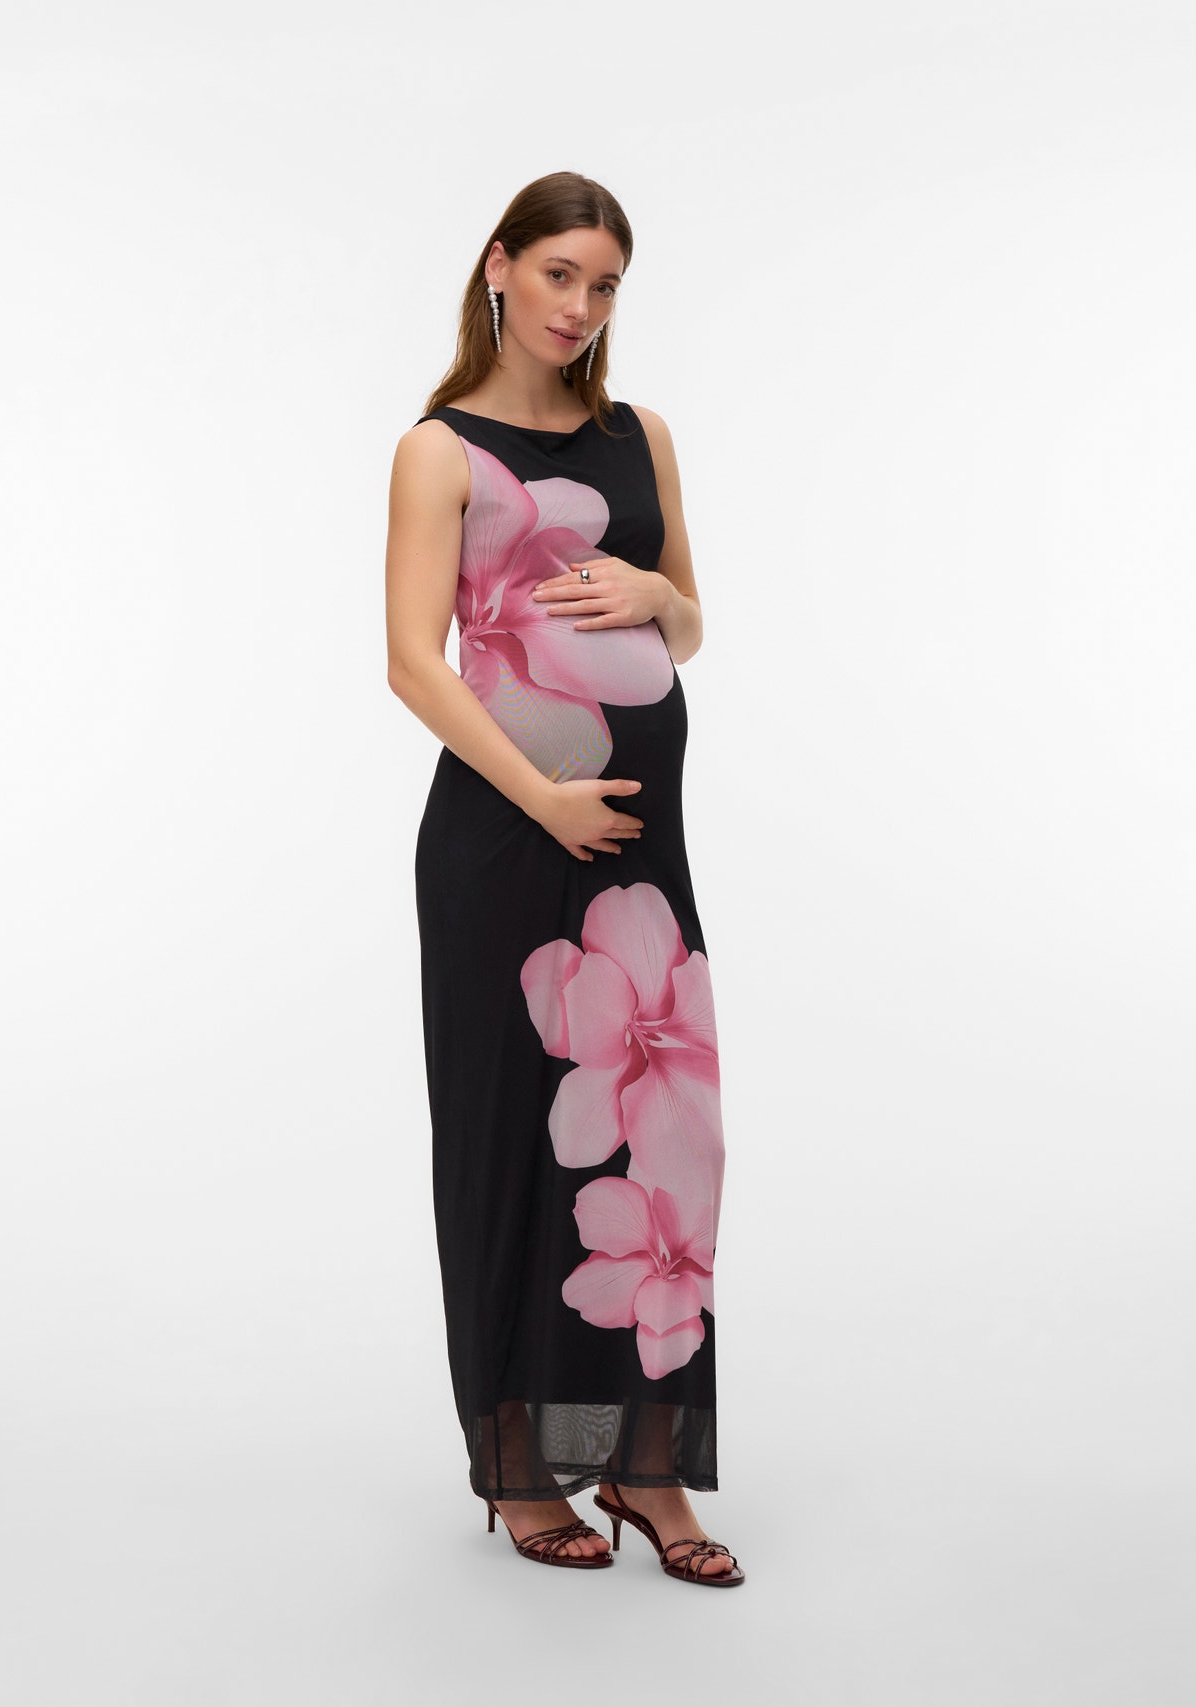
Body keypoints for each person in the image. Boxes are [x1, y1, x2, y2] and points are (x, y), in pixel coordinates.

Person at [384, 172, 743, 1586]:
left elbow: (690, 624)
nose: (580, 306)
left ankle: (649, 1469)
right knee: (513, 1145)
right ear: (499, 268)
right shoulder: (439, 451)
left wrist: (660, 599)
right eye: (559, 275)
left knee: (667, 1145)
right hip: (502, 842)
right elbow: (413, 661)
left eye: (603, 286)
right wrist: (539, 796)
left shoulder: (640, 436)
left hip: (642, 854)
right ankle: (524, 1466)